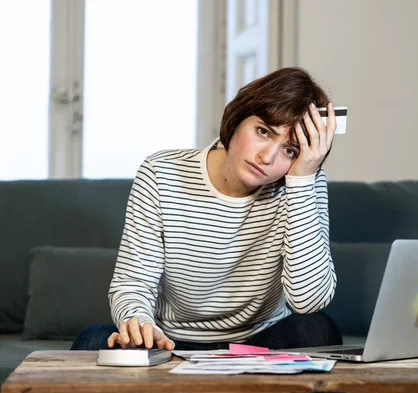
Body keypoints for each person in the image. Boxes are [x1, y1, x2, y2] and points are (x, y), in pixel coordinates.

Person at [71, 67, 343, 351]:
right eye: (263, 132)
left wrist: (301, 181)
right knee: (91, 341)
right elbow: (134, 281)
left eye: (289, 150)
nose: (266, 157)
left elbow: (309, 301)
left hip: (260, 343)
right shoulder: (161, 172)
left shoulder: (303, 181)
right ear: (238, 119)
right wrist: (140, 325)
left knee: (317, 329)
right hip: (169, 341)